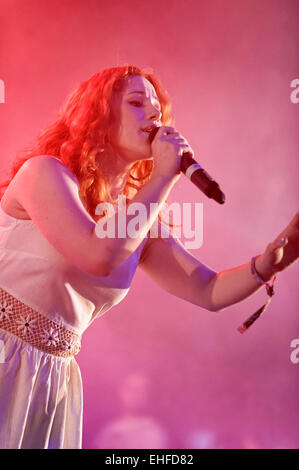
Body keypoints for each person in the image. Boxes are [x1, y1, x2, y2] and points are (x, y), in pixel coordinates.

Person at [0, 65, 298, 449]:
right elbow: (98, 255)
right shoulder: (44, 173)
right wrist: (163, 176)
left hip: (50, 377)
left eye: (158, 107)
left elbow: (209, 290)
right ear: (97, 115)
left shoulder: (137, 217)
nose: (154, 114)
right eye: (137, 102)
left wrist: (268, 264)